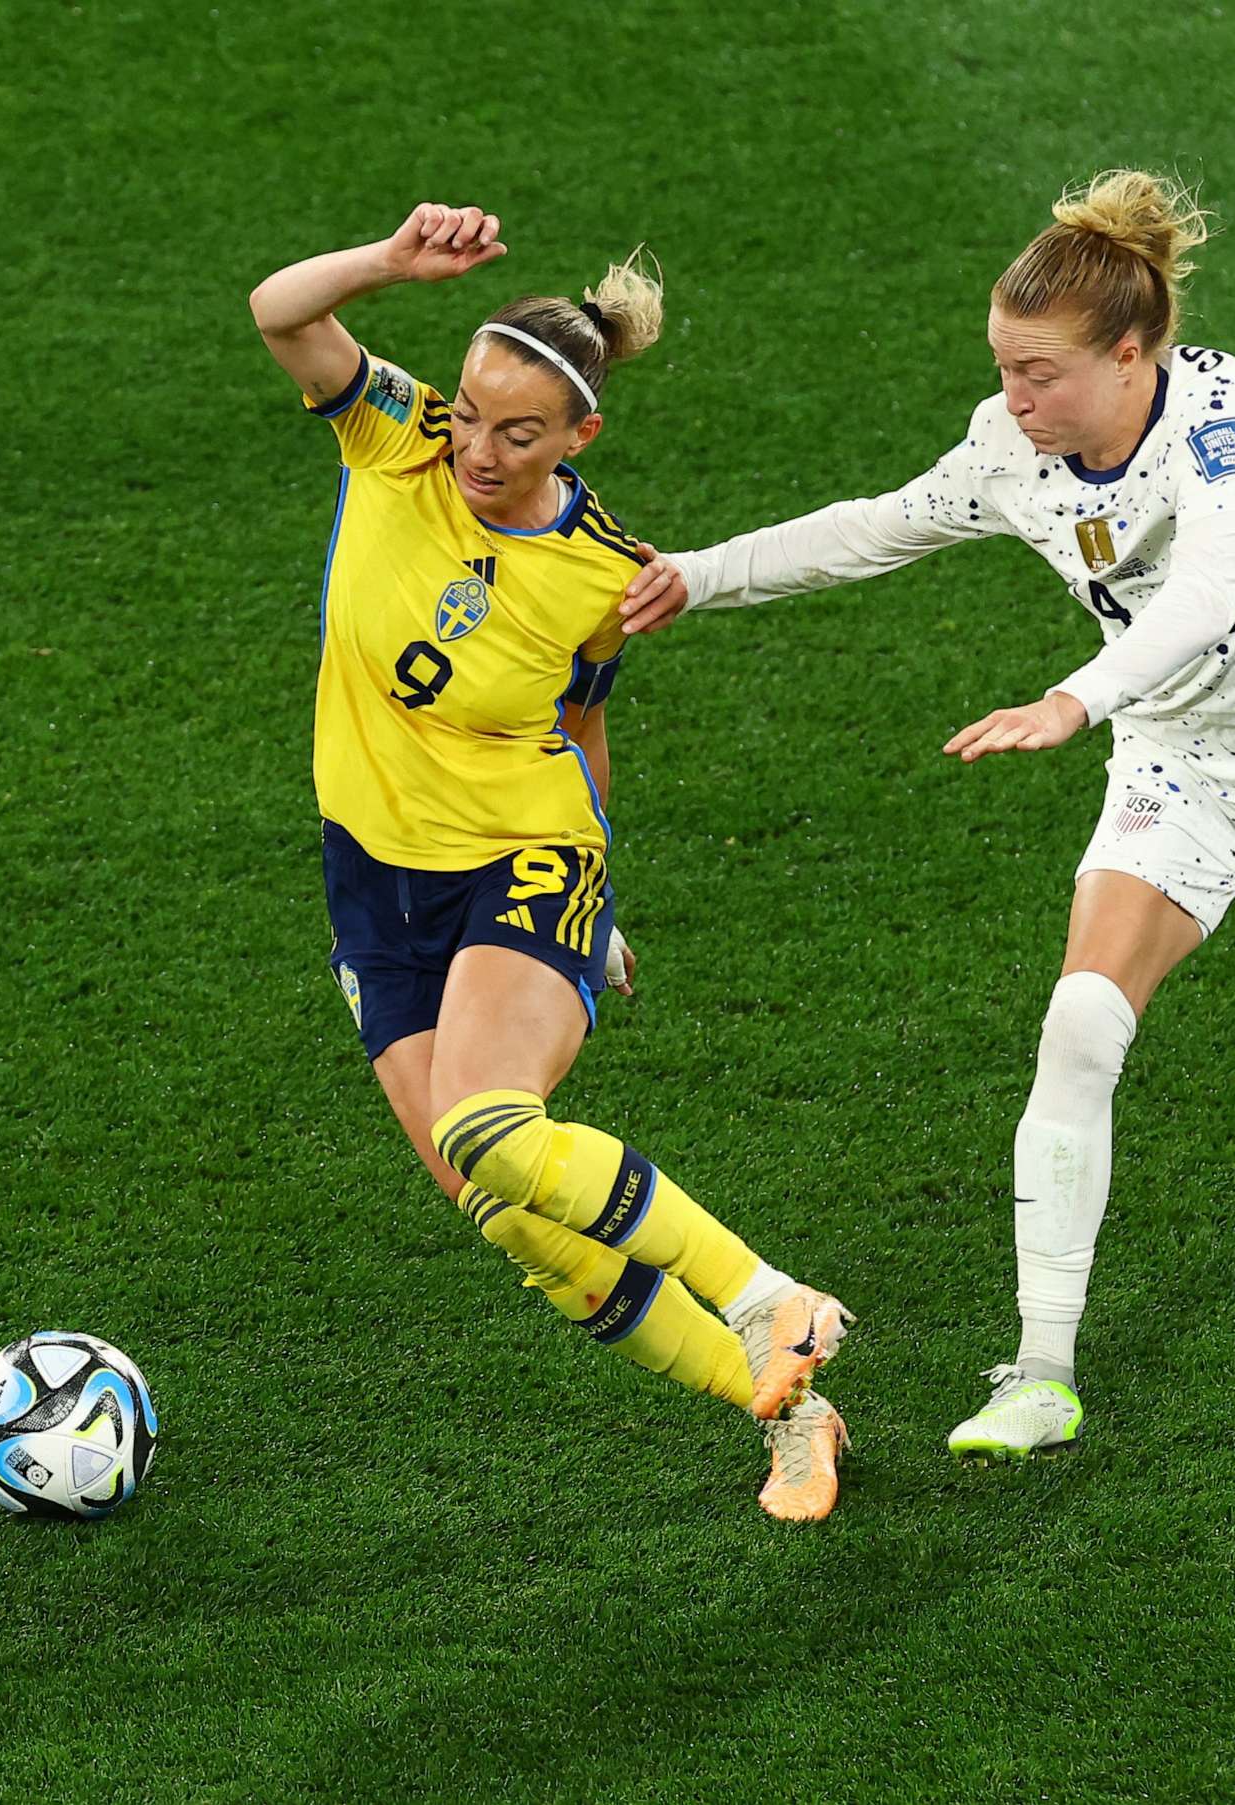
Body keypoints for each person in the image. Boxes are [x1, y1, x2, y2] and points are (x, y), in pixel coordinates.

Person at [616, 170, 1235, 1464]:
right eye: (1003, 369)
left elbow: (1206, 600)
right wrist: (699, 575)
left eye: (1040, 374)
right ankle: (1041, 1367)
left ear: (1132, 355)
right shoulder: (1017, 450)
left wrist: (1075, 696)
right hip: (1177, 758)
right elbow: (879, 526)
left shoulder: (1226, 430)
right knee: (1079, 1021)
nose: (1015, 400)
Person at [249, 203, 855, 1520]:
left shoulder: (605, 575)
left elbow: (578, 727)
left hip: (523, 854)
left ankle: (771, 1300)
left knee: (488, 1122)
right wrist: (389, 266)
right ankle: (793, 1413)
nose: (475, 447)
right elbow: (280, 311)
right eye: (468, 413)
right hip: (374, 881)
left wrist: (591, 905)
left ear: (581, 435)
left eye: (514, 432)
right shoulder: (393, 436)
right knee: (514, 1218)